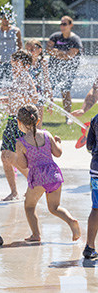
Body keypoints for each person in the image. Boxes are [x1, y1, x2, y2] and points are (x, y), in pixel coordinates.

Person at [14, 104, 81, 242]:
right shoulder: (46, 134)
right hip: (54, 175)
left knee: (29, 206)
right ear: (37, 121)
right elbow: (58, 153)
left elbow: (23, 164)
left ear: (19, 123)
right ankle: (71, 221)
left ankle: (36, 235)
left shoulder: (21, 142)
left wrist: (17, 156)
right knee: (54, 207)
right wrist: (59, 143)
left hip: (39, 178)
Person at [0, 49, 38, 201]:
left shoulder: (25, 77)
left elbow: (34, 97)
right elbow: (12, 98)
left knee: (16, 157)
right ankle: (14, 192)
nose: (12, 64)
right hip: (12, 121)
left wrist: (15, 93)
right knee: (4, 156)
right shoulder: (17, 79)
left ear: (25, 65)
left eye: (16, 62)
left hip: (20, 123)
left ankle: (36, 183)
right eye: (12, 61)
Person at [47, 16, 83, 124]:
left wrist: (58, 52)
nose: (62, 26)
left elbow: (71, 55)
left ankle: (68, 117)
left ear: (70, 25)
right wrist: (64, 53)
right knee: (48, 90)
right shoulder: (55, 36)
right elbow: (48, 49)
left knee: (65, 92)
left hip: (68, 70)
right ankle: (39, 114)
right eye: (61, 24)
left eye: (64, 24)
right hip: (54, 68)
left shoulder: (75, 39)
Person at [0, 9, 23, 95]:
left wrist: (17, 61)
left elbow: (20, 47)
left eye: (8, 18)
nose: (6, 20)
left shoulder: (16, 31)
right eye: (4, 18)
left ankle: (11, 106)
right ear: (0, 19)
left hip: (11, 64)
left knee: (12, 86)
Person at [25, 39, 52, 124]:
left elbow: (46, 81)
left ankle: (38, 137)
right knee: (26, 124)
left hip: (39, 94)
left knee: (38, 123)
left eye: (32, 50)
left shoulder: (43, 62)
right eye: (27, 50)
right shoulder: (24, 63)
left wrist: (50, 100)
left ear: (39, 50)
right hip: (26, 95)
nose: (30, 52)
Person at [84, 111, 98, 259]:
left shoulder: (96, 119)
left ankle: (90, 247)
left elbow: (89, 145)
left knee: (96, 209)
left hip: (96, 170)